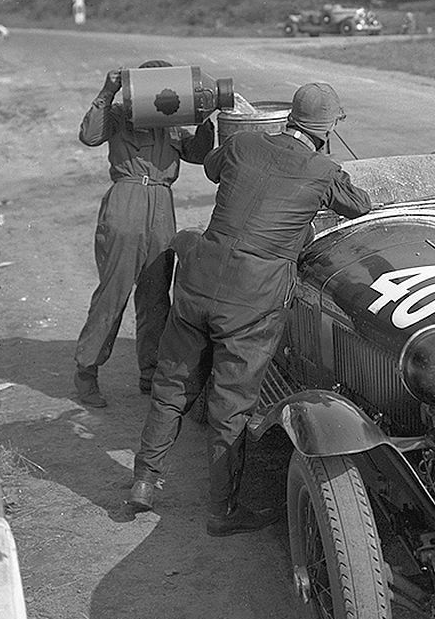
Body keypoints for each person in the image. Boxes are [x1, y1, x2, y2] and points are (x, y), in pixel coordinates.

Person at [129, 82, 372, 535]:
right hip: (253, 301)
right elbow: (360, 205)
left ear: (289, 117)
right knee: (231, 405)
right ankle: (222, 512)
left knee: (172, 385)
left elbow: (214, 167)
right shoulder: (323, 170)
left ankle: (144, 480)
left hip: (199, 280)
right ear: (328, 127)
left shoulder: (242, 143)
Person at [74, 61, 214, 407]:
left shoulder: (172, 121)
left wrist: (207, 118)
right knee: (113, 292)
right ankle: (86, 372)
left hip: (161, 203)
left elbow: (199, 154)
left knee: (155, 298)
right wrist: (108, 91)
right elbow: (90, 135)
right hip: (126, 199)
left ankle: (149, 374)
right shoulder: (121, 114)